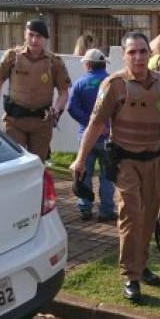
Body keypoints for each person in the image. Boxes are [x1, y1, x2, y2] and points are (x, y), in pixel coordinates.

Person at [70, 32, 160, 303]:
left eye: (143, 51)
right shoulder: (114, 85)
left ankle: (142, 265)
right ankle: (131, 275)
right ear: (123, 56)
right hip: (125, 163)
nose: (138, 57)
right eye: (132, 52)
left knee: (149, 218)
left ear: (150, 54)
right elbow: (96, 124)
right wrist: (80, 158)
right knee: (131, 216)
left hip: (155, 161)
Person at [0, 19, 71, 161]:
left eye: (39, 36)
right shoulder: (12, 57)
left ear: (46, 39)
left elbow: (64, 92)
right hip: (14, 121)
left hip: (41, 123)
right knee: (14, 163)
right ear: (25, 35)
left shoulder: (54, 62)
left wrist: (56, 110)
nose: (34, 40)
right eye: (31, 35)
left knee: (37, 165)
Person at [67, 48, 115, 223]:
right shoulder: (112, 82)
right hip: (108, 138)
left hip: (85, 138)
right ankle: (106, 210)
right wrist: (105, 126)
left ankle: (85, 208)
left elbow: (71, 108)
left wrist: (90, 124)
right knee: (107, 177)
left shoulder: (80, 83)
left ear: (87, 64)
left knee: (83, 173)